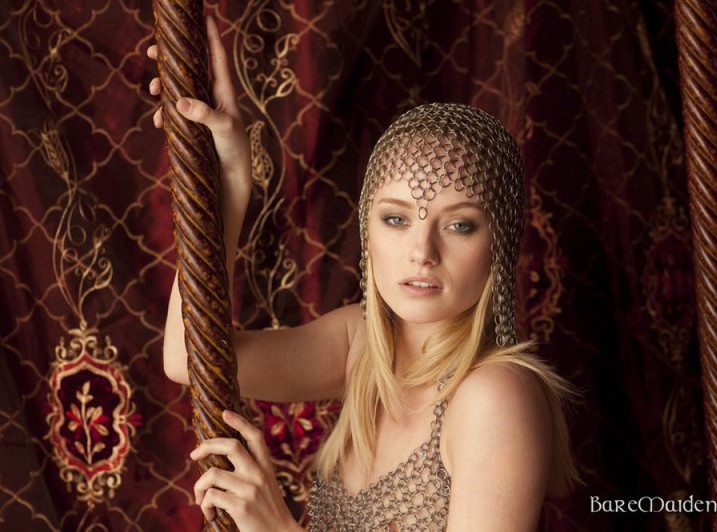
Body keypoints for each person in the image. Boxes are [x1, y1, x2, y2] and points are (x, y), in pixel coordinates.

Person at [151, 15, 579, 531]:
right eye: (396, 219)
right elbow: (187, 357)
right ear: (366, 231)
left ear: (500, 244)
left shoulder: (495, 396)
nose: (422, 251)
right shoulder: (361, 345)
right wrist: (232, 175)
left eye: (459, 225)